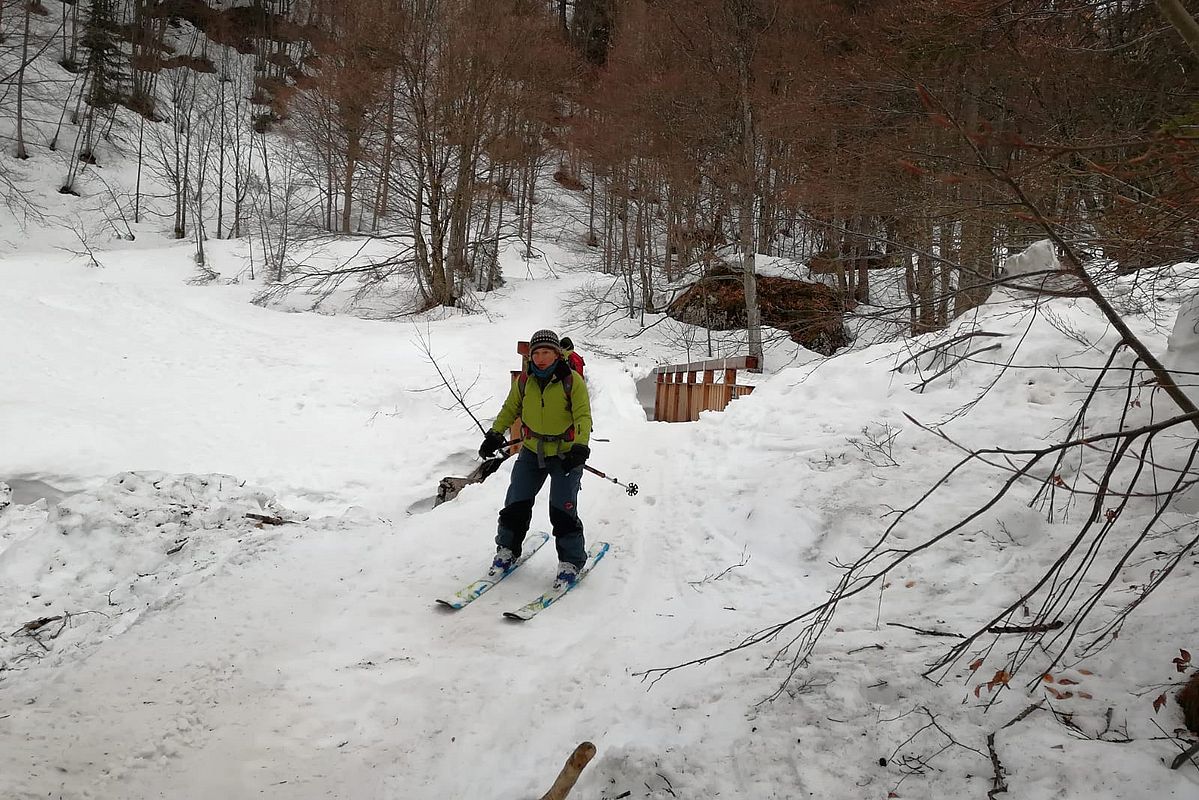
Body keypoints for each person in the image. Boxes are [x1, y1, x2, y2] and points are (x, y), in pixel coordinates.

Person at [478, 329, 592, 588]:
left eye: (546, 352)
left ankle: (571, 561)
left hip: (565, 453)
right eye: (536, 353)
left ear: (556, 354)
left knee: (562, 509)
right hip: (531, 451)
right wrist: (495, 434)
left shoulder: (571, 381)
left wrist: (580, 447)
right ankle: (506, 550)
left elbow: (583, 416)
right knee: (515, 503)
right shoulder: (525, 381)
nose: (540, 358)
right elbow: (510, 408)